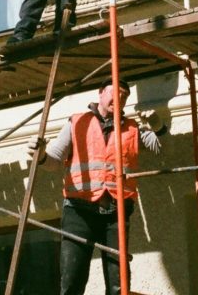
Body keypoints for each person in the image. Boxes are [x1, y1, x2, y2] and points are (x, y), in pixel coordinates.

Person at [29, 78, 167, 295]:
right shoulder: (76, 123)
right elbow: (54, 160)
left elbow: (158, 147)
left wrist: (158, 126)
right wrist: (41, 156)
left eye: (124, 96)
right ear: (100, 93)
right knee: (72, 278)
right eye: (115, 92)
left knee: (118, 282)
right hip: (79, 210)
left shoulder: (132, 128)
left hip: (115, 210)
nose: (118, 98)